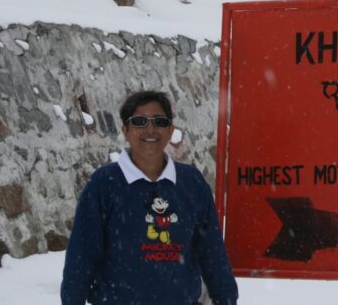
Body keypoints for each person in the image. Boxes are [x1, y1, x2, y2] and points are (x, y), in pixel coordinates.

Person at [61, 90, 238, 305]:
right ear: (125, 130)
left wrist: (227, 298)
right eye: (140, 121)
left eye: (159, 122)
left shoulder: (191, 183)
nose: (150, 129)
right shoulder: (104, 184)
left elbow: (213, 253)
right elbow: (81, 258)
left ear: (170, 129)